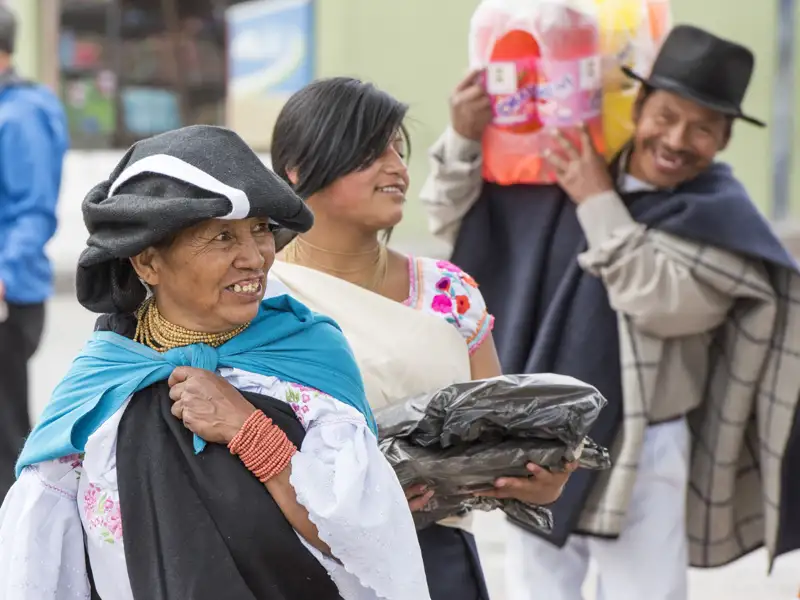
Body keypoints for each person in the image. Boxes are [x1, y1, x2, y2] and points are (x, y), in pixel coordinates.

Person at [420, 24, 800, 600]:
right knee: (537, 588)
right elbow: (456, 225)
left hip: (647, 444)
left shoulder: (716, 213)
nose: (677, 138)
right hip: (541, 431)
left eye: (703, 129)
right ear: (638, 106)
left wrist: (597, 200)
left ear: (722, 142)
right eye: (666, 115)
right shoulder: (562, 169)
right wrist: (465, 138)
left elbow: (663, 303)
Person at [0, 125, 433, 600]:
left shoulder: (307, 353)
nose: (254, 257)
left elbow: (370, 543)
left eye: (261, 231)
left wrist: (251, 431)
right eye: (222, 238)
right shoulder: (102, 382)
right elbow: (37, 568)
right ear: (147, 263)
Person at [267, 77, 574, 600]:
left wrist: (538, 477)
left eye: (397, 149)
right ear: (296, 171)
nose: (397, 168)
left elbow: (497, 439)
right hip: (299, 559)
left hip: (436, 562)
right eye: (370, 151)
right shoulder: (257, 293)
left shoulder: (447, 292)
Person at [0, 5, 68, 498]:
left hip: (8, 294)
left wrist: (4, 271)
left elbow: (33, 210)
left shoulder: (21, 115)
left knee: (5, 428)